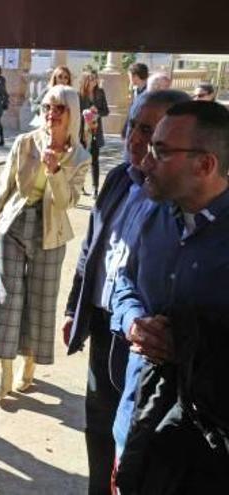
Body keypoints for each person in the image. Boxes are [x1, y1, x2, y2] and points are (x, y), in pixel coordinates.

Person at [61, 90, 190, 495]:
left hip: (148, 346)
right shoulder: (118, 179)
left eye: (149, 131)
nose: (135, 138)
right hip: (104, 328)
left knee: (137, 443)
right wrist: (73, 308)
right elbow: (90, 250)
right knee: (99, 428)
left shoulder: (181, 200)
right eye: (133, 124)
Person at [110, 101, 229, 492]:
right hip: (135, 423)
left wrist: (194, 346)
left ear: (205, 165)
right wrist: (132, 321)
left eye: (161, 151)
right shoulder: (151, 212)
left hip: (204, 456)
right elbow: (123, 282)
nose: (145, 158)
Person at [0, 85, 91, 398]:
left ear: (71, 114)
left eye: (59, 109)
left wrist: (55, 170)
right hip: (14, 225)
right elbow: (4, 186)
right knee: (9, 298)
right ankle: (3, 368)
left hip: (51, 232)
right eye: (47, 107)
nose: (51, 114)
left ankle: (28, 363)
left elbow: (66, 202)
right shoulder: (24, 142)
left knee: (41, 302)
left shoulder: (80, 157)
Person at [78, 68, 110, 197]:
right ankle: (80, 185)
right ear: (85, 80)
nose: (94, 81)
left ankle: (95, 188)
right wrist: (85, 113)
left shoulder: (100, 93)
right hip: (82, 132)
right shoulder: (79, 94)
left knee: (95, 160)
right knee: (81, 160)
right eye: (91, 78)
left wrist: (96, 112)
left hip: (96, 131)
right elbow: (77, 112)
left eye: (96, 78)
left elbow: (106, 111)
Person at [121, 63, 149, 141]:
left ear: (135, 76)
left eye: (129, 76)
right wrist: (125, 129)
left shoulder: (149, 93)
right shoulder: (136, 91)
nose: (129, 79)